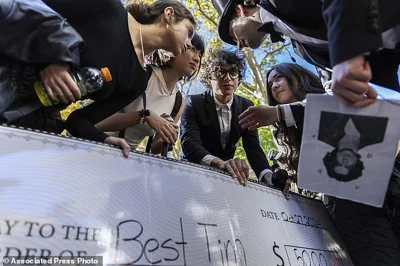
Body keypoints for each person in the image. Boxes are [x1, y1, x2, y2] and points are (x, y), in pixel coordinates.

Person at [36, 0, 197, 157]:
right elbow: (36, 6)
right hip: (14, 72)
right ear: (169, 14)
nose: (190, 44)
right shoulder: (108, 7)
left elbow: (77, 121)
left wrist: (105, 140)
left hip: (35, 119)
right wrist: (56, 58)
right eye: (189, 33)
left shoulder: (138, 81)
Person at [211, 0, 400, 107]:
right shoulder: (300, 50)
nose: (238, 46)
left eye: (233, 35)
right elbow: (335, 83)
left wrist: (346, 54)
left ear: (240, 10)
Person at [180, 48, 288, 194]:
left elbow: (253, 148)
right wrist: (221, 163)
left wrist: (268, 176)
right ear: (208, 78)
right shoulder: (193, 102)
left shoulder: (246, 106)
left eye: (233, 72)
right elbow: (189, 144)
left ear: (238, 79)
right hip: (193, 169)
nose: (228, 78)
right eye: (220, 72)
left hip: (227, 174)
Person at [95, 33, 205, 154]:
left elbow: (154, 148)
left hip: (124, 160)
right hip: (92, 146)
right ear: (174, 47)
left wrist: (169, 137)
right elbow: (96, 123)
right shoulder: (141, 74)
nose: (197, 58)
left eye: (200, 55)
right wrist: (144, 116)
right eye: (193, 50)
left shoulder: (178, 103)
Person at [319, 112, 387, 182]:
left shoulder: (323, 132)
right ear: (357, 164)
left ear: (333, 158)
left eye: (338, 163)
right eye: (348, 166)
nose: (344, 161)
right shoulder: (378, 137)